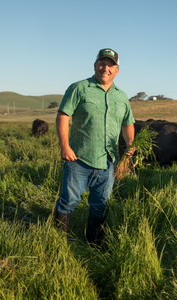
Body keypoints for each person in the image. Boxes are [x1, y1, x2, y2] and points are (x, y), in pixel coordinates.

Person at [54, 48, 135, 246]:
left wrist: (131, 144)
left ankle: (94, 243)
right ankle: (56, 242)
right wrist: (64, 146)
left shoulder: (122, 97)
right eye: (102, 63)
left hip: (108, 162)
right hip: (78, 159)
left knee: (100, 205)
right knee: (68, 201)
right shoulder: (79, 88)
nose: (105, 68)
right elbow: (63, 116)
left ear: (117, 70)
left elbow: (128, 124)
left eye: (110, 65)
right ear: (95, 65)